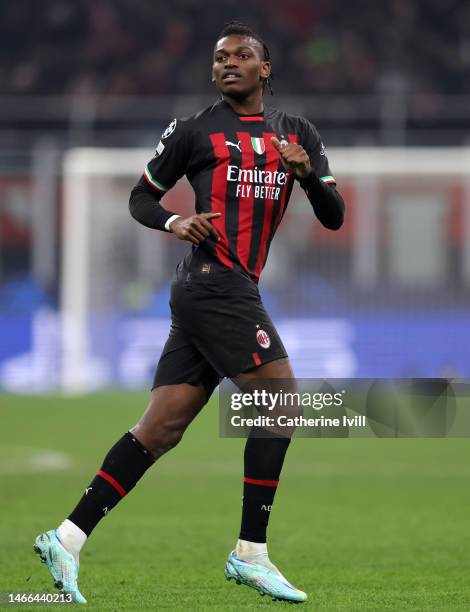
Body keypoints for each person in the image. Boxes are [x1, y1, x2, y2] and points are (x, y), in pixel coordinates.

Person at [34, 21, 344, 604]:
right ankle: (250, 552)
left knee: (161, 427)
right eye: (220, 57)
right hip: (214, 283)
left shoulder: (296, 134)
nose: (229, 63)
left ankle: (66, 537)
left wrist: (307, 174)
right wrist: (175, 221)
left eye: (242, 55)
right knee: (280, 402)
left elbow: (334, 216)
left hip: (221, 289)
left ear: (265, 68)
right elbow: (140, 196)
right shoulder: (196, 131)